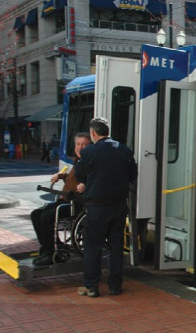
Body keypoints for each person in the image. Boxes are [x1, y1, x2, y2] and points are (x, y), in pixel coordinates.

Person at [75, 117, 137, 298]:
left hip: (97, 208)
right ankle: (115, 286)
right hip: (118, 206)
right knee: (116, 247)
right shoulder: (124, 150)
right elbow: (133, 174)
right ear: (107, 131)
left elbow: (80, 175)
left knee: (93, 247)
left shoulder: (89, 152)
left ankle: (91, 286)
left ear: (93, 133)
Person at [31, 132, 92, 266]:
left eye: (84, 145)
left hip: (77, 204)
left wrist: (84, 185)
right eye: (77, 144)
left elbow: (90, 181)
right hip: (66, 201)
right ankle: (48, 249)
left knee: (46, 217)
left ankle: (50, 254)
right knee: (35, 214)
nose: (79, 147)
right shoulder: (79, 160)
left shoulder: (89, 162)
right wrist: (61, 175)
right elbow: (73, 179)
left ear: (90, 146)